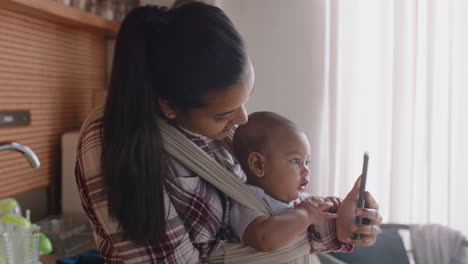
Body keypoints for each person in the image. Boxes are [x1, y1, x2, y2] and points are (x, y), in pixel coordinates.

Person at [75, 2, 382, 263]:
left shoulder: (215, 134)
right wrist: (312, 233)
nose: (242, 119)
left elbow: (262, 212)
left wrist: (338, 226)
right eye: (223, 115)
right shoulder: (112, 142)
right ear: (169, 105)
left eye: (243, 102)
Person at [231, 111, 370, 252]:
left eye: (307, 162)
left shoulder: (302, 200)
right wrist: (305, 214)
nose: (306, 171)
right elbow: (264, 239)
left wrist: (340, 209)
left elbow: (334, 231)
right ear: (258, 164)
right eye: (296, 161)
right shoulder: (247, 200)